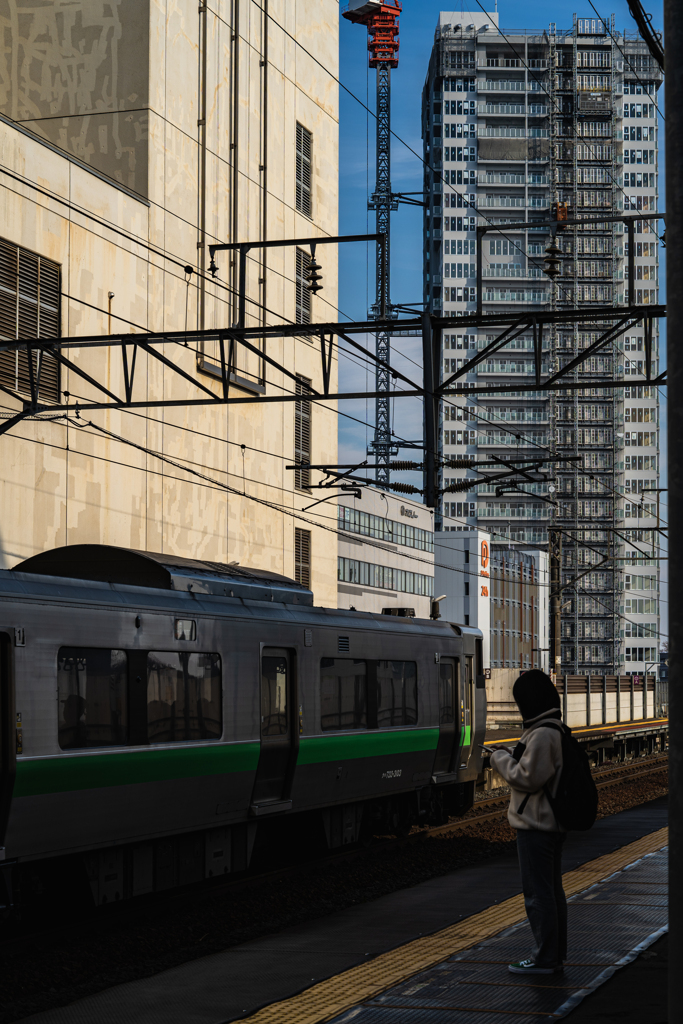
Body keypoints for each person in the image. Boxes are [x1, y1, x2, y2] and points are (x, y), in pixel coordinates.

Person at [489, 670, 566, 975]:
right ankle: (554, 955)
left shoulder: (542, 734)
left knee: (538, 894)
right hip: (549, 824)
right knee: (551, 891)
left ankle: (545, 958)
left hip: (536, 826)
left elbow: (527, 778)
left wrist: (499, 760)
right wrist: (513, 755)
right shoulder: (553, 728)